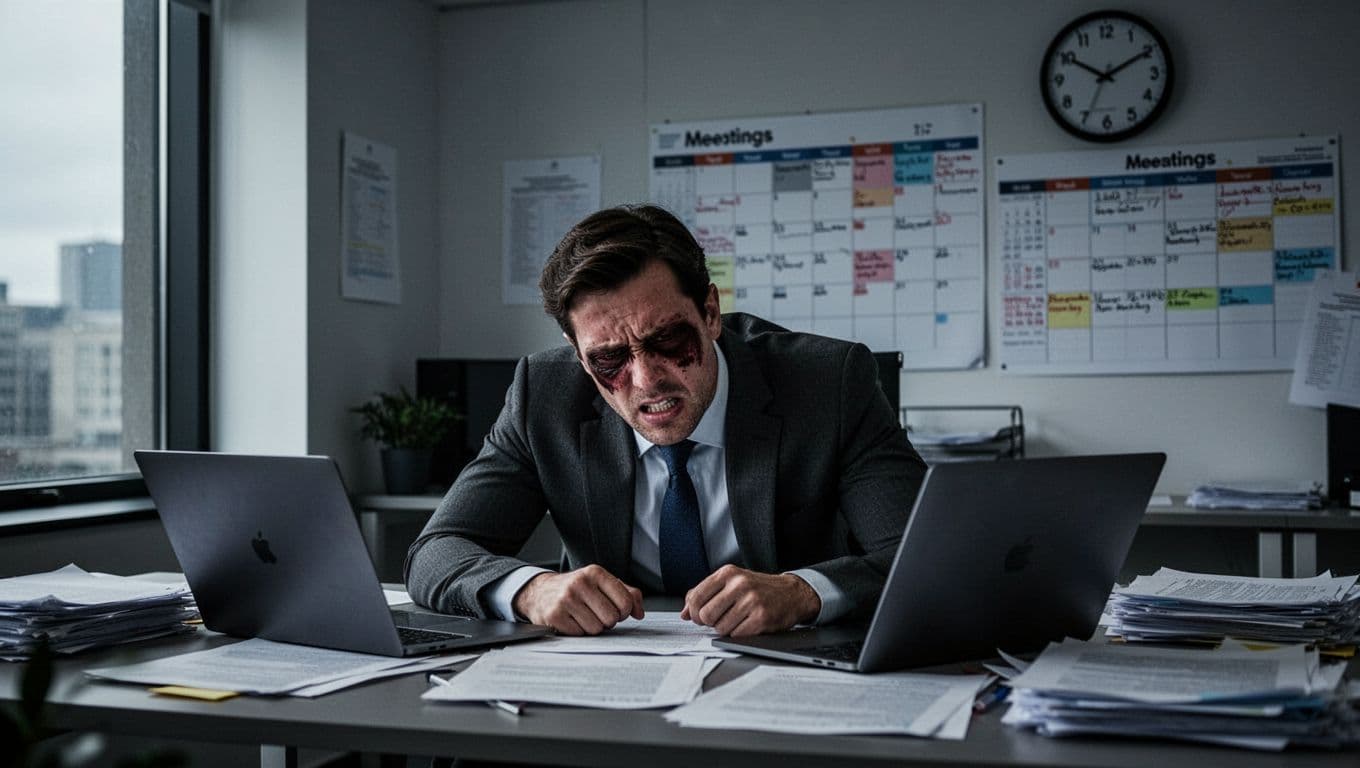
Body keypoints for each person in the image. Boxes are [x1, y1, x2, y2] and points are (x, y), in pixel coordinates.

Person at [405, 203, 926, 637]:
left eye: (668, 342)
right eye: (610, 359)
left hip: (787, 679)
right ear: (578, 356)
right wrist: (530, 589)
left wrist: (803, 591)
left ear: (711, 313)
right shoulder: (544, 395)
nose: (646, 379)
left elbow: (919, 558)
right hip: (609, 685)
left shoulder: (827, 383)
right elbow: (434, 553)